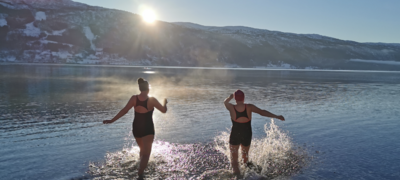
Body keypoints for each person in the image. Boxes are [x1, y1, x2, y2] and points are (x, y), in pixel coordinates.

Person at [103, 78, 167, 179]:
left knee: (142, 149)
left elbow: (124, 110)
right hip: (148, 128)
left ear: (140, 88)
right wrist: (165, 103)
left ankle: (140, 167)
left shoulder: (134, 98)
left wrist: (112, 120)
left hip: (136, 128)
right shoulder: (152, 100)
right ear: (148, 89)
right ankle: (140, 174)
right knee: (146, 154)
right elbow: (163, 110)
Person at [224, 90, 285, 175]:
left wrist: (230, 97)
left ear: (235, 99)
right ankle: (249, 174)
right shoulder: (249, 107)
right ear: (243, 98)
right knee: (245, 158)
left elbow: (225, 102)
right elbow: (262, 112)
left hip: (235, 134)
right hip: (247, 134)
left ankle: (237, 177)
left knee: (234, 161)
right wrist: (276, 116)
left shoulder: (231, 107)